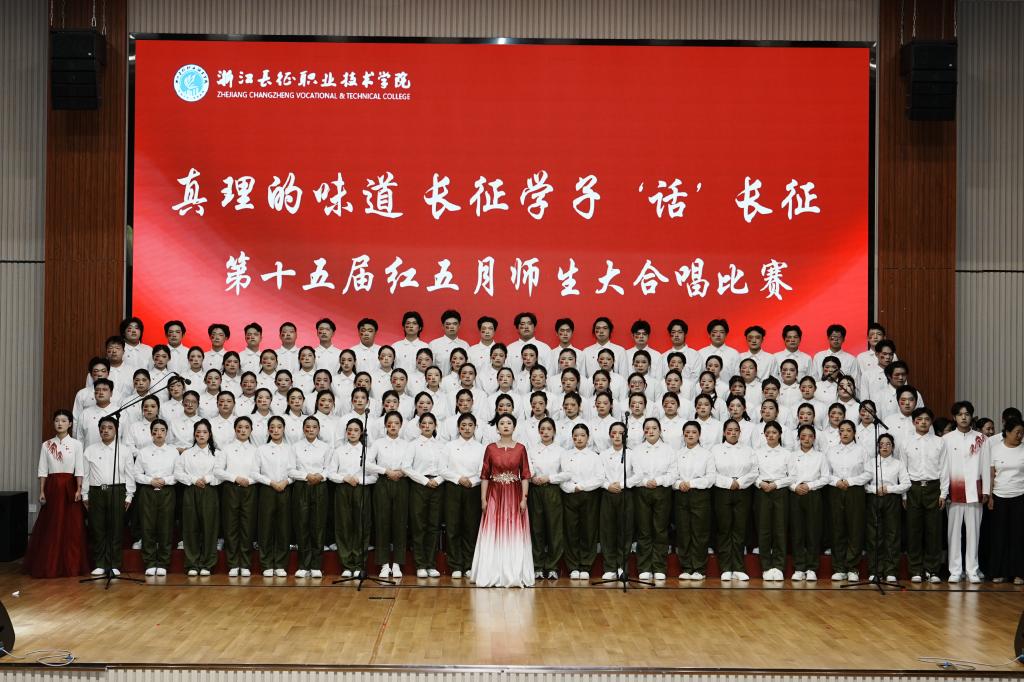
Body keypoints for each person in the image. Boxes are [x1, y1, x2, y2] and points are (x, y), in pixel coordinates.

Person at [471, 413, 533, 587]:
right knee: (493, 529)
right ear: (497, 428)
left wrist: (524, 499)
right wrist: (483, 499)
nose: (505, 425)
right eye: (502, 423)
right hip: (494, 493)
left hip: (514, 494)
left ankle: (513, 572)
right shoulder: (490, 448)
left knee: (513, 530)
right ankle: (492, 573)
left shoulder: (521, 448)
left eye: (509, 423)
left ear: (514, 427)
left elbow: (525, 475)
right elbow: (485, 475)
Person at [24, 410, 88, 578]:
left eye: (64, 420)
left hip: (70, 486)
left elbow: (79, 469)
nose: (60, 423)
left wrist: (79, 489)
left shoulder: (76, 444)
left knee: (72, 526)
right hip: (52, 486)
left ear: (70, 424)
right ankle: (50, 564)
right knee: (52, 524)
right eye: (57, 420)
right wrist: (42, 491)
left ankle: (71, 565)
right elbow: (42, 470)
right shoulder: (46, 445)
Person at [900, 407, 949, 583]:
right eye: (919, 419)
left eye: (927, 419)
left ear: (931, 422)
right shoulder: (906, 442)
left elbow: (944, 468)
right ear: (914, 422)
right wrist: (904, 495)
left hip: (933, 487)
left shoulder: (939, 442)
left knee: (933, 531)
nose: (923, 422)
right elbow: (903, 469)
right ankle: (915, 569)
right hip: (913, 488)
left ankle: (933, 570)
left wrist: (943, 493)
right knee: (914, 530)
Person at [82, 416, 135, 576]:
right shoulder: (90, 450)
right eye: (102, 428)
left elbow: (130, 474)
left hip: (117, 491)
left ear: (116, 430)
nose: (105, 430)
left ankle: (113, 563)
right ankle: (99, 563)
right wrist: (85, 494)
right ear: (99, 430)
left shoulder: (124, 450)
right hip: (96, 491)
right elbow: (85, 474)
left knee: (115, 528)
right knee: (97, 528)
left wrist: (129, 495)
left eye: (110, 428)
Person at [943, 401, 989, 584]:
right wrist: (943, 491)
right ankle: (955, 570)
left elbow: (986, 465)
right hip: (953, 491)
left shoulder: (981, 438)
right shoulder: (946, 439)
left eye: (967, 414)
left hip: (975, 492)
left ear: (971, 417)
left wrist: (986, 490)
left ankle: (972, 570)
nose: (963, 417)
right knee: (953, 533)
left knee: (974, 533)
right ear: (954, 417)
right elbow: (943, 468)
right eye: (960, 414)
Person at [368, 411, 413, 578]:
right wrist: (386, 471)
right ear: (385, 425)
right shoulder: (378, 443)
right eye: (390, 423)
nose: (393, 426)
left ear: (401, 425)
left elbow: (411, 464)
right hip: (383, 482)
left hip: (402, 482)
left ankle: (398, 564)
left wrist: (402, 472)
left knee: (400, 523)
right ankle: (384, 564)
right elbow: (367, 463)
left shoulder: (407, 444)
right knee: (382, 522)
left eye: (396, 423)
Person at [327, 418, 374, 578]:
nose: (352, 433)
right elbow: (331, 473)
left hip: (361, 489)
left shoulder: (368, 451)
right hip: (343, 488)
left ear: (361, 433)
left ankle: (359, 564)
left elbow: (374, 476)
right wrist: (344, 478)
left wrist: (359, 480)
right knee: (344, 525)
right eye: (349, 430)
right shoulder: (339, 451)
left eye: (356, 430)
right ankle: (347, 564)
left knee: (361, 526)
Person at [132, 419, 178, 577]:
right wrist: (150, 480)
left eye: (162, 430)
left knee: (166, 526)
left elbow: (178, 473)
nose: (159, 433)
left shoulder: (173, 451)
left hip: (167, 491)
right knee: (147, 526)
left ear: (166, 433)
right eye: (155, 430)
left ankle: (163, 562)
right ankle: (150, 562)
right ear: (151, 433)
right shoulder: (143, 452)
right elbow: (136, 473)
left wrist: (165, 480)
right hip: (148, 490)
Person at [712, 419, 756, 581]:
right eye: (729, 430)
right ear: (724, 433)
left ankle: (738, 567)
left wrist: (740, 482)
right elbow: (711, 471)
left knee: (739, 529)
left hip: (742, 491)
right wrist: (728, 482)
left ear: (740, 432)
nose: (733, 433)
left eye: (736, 430)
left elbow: (754, 471)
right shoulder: (715, 450)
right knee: (724, 529)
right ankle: (725, 568)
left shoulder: (748, 450)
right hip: (722, 491)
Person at [215, 416, 260, 577]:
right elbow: (218, 471)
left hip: (250, 489)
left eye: (246, 427)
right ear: (235, 430)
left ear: (251, 430)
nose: (242, 430)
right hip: (231, 489)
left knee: (247, 527)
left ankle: (245, 564)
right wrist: (235, 478)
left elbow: (260, 471)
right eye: (239, 427)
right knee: (231, 526)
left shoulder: (256, 450)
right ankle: (233, 563)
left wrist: (249, 480)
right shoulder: (226, 449)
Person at [174, 419, 220, 576]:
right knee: (190, 527)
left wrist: (206, 479)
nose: (201, 435)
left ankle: (207, 563)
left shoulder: (217, 454)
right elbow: (178, 473)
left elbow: (220, 472)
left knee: (209, 527)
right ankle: (192, 563)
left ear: (210, 434)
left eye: (205, 432)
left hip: (210, 490)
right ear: (194, 434)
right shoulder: (186, 454)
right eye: (198, 432)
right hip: (190, 490)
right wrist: (193, 479)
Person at [826, 420, 870, 582]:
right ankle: (839, 568)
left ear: (854, 433)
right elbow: (826, 473)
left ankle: (852, 567)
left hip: (855, 491)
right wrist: (837, 481)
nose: (845, 433)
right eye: (842, 430)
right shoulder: (831, 451)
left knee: (855, 528)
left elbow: (868, 473)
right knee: (837, 528)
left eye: (848, 430)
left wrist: (850, 481)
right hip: (835, 490)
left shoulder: (861, 451)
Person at [442, 413, 485, 579]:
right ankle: (455, 565)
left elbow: (483, 470)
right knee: (453, 527)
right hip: (453, 487)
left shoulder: (481, 448)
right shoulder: (449, 446)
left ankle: (469, 564)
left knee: (471, 527)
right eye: (463, 425)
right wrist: (459, 478)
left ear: (475, 427)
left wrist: (472, 481)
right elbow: (442, 468)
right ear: (458, 428)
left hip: (473, 489)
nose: (467, 428)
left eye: (470, 425)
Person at [559, 424, 602, 580]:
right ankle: (573, 566)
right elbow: (562, 476)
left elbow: (599, 478)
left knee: (588, 530)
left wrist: (582, 486)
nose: (579, 438)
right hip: (569, 495)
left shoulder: (594, 456)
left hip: (589, 495)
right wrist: (571, 488)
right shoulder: (565, 455)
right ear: (572, 438)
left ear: (588, 438)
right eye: (576, 436)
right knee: (571, 531)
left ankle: (586, 565)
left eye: (582, 435)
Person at [787, 424, 830, 581]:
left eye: (810, 436)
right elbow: (787, 475)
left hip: (813, 494)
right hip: (795, 493)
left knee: (813, 531)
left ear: (814, 438)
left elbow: (825, 477)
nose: (806, 439)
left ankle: (812, 568)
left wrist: (809, 486)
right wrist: (795, 487)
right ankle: (799, 567)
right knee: (797, 531)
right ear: (799, 438)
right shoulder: (792, 456)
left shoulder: (820, 456)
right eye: (803, 436)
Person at [864, 433, 909, 583]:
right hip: (874, 498)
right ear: (878, 446)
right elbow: (864, 484)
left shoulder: (898, 464)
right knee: (874, 535)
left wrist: (889, 489)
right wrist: (875, 489)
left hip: (892, 499)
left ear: (893, 447)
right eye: (881, 444)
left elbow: (906, 484)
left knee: (892, 534)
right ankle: (875, 570)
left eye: (888, 444)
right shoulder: (871, 463)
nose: (884, 447)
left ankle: (891, 570)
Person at [674, 421, 716, 580]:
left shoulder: (707, 454)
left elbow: (710, 478)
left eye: (694, 432)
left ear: (699, 435)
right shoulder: (677, 454)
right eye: (687, 432)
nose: (690, 435)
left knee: (700, 532)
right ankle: (686, 567)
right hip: (681, 495)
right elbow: (673, 475)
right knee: (683, 532)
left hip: (700, 495)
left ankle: (699, 569)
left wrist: (691, 483)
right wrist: (679, 484)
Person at [526, 417, 566, 580]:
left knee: (554, 529)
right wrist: (532, 478)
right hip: (535, 490)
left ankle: (552, 566)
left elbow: (566, 473)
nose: (545, 432)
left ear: (554, 431)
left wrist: (549, 478)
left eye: (549, 429)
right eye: (542, 429)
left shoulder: (561, 451)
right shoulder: (531, 450)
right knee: (537, 529)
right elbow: (526, 470)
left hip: (552, 490)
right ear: (538, 432)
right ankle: (537, 565)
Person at [290, 416, 330, 578]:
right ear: (303, 429)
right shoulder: (295, 447)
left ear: (319, 429)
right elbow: (290, 469)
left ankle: (316, 565)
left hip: (320, 487)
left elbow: (330, 468)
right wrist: (306, 475)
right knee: (302, 525)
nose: (311, 429)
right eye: (307, 426)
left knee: (318, 525)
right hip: (302, 486)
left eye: (314, 427)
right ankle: (303, 565)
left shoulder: (325, 447)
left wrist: (319, 476)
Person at [406, 413, 445, 578]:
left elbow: (447, 467)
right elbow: (406, 467)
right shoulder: (413, 445)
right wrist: (424, 480)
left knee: (433, 525)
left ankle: (431, 564)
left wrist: (438, 480)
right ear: (419, 426)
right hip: (419, 485)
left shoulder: (442, 446)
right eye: (424, 423)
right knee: (419, 525)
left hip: (438, 485)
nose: (427, 426)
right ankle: (421, 564)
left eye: (430, 423)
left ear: (435, 425)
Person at [255, 416, 294, 577]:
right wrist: (271, 482)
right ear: (268, 430)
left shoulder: (290, 449)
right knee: (266, 527)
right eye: (272, 427)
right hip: (267, 489)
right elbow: (254, 472)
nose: (276, 430)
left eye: (279, 427)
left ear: (284, 429)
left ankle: (280, 564)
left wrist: (286, 481)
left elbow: (294, 470)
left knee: (283, 527)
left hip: (285, 488)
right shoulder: (261, 449)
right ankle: (266, 564)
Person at [986, 417, 1024, 584]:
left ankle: (1018, 573)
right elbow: (991, 475)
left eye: (1022, 433)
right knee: (999, 535)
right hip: (999, 496)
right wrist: (990, 496)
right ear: (1007, 432)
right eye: (1017, 432)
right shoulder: (995, 449)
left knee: (1018, 535)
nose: (1020, 436)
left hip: (1020, 496)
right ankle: (998, 571)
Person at [753, 421, 791, 581]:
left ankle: (779, 566)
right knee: (764, 529)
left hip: (780, 490)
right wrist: (760, 483)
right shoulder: (757, 453)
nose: (771, 435)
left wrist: (776, 484)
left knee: (780, 528)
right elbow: (753, 473)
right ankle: (766, 567)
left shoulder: (787, 453)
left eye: (774, 432)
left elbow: (792, 476)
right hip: (762, 490)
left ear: (780, 434)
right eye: (767, 433)